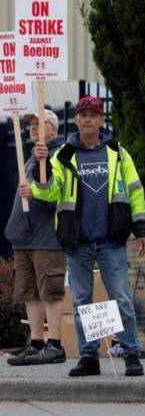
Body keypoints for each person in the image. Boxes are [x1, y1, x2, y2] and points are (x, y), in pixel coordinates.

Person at [24, 95, 145, 377]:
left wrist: (141, 228)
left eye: (94, 114)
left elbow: (135, 192)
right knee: (82, 301)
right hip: (77, 240)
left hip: (111, 239)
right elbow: (49, 193)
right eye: (83, 114)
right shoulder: (64, 154)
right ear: (77, 119)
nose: (88, 119)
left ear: (101, 120)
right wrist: (41, 172)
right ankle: (88, 356)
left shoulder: (118, 153)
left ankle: (131, 353)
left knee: (122, 298)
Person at [5, 110, 66, 366]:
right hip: (25, 237)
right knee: (29, 292)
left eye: (39, 123)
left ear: (52, 128)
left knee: (50, 291)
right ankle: (37, 342)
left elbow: (59, 191)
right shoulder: (31, 158)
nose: (32, 127)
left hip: (46, 237)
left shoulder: (59, 155)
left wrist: (38, 188)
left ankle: (55, 344)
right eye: (30, 124)